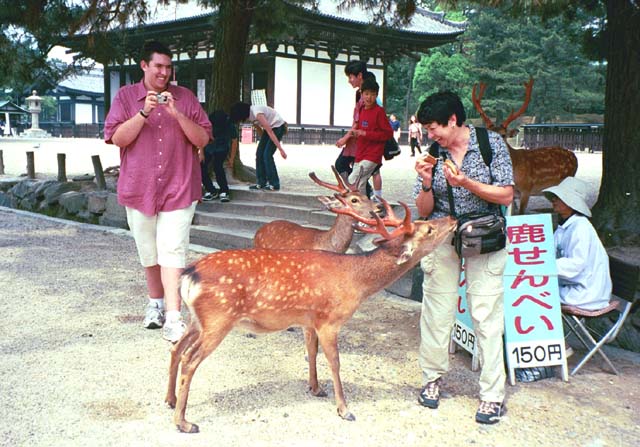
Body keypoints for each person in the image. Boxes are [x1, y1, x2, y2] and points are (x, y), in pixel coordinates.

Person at [413, 91, 514, 425]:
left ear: (452, 120)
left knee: (485, 313)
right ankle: (431, 378)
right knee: (436, 308)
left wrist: (466, 183)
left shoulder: (490, 144)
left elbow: (506, 193)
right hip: (442, 234)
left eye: (433, 128)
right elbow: (423, 210)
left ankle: (492, 395)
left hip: (485, 235)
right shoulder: (433, 153)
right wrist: (427, 185)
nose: (430, 136)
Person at [103, 41, 212, 343]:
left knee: (173, 250)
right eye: (158, 66)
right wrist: (143, 113)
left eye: (168, 66)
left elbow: (202, 137)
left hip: (179, 187)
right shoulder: (126, 97)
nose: (164, 72)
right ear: (144, 66)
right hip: (140, 188)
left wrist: (177, 114)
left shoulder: (186, 98)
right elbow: (117, 139)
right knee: (148, 252)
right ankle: (156, 304)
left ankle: (174, 317)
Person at [543, 176, 612, 310]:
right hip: (576, 287)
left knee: (533, 293)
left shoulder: (581, 228)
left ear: (571, 202)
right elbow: (550, 251)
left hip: (586, 294)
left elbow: (576, 264)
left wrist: (541, 264)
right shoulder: (566, 226)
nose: (553, 200)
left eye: (558, 197)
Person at [335, 60, 384, 199]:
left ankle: (362, 194)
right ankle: (369, 195)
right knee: (371, 170)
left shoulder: (364, 96)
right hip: (363, 138)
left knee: (343, 164)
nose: (349, 80)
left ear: (360, 76)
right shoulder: (363, 94)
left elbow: (359, 121)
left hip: (363, 140)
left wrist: (346, 138)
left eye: (351, 77)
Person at [346, 78, 393, 195]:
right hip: (361, 153)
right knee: (360, 184)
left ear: (376, 95)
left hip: (373, 155)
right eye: (366, 94)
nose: (369, 97)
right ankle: (364, 211)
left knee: (352, 180)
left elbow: (388, 133)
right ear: (361, 94)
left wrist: (365, 134)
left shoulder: (379, 111)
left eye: (373, 94)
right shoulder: (361, 110)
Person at [230, 102, 287, 191]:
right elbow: (260, 130)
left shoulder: (257, 112)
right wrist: (263, 143)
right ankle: (261, 182)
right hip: (269, 130)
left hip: (277, 127)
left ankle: (274, 183)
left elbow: (270, 131)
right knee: (259, 153)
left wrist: (280, 149)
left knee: (267, 155)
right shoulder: (251, 116)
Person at [201, 109, 238, 203]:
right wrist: (201, 152)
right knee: (201, 167)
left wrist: (232, 158)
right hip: (208, 147)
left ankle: (224, 191)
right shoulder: (208, 123)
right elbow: (201, 136)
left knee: (218, 167)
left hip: (222, 147)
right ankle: (211, 190)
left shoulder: (229, 124)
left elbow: (234, 141)